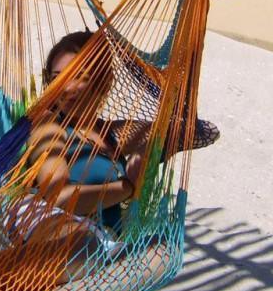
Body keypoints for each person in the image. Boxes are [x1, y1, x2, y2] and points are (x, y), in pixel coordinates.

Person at [25, 30, 220, 237]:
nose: (67, 87)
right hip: (67, 244)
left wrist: (144, 151)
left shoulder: (108, 132)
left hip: (111, 244)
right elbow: (59, 197)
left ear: (103, 83)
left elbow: (203, 132)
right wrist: (128, 187)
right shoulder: (49, 124)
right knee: (85, 239)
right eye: (58, 77)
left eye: (80, 77)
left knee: (163, 248)